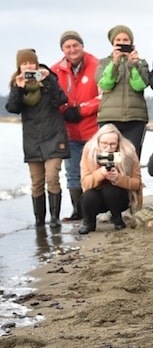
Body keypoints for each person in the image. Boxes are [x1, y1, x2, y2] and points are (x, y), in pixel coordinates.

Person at [6, 49, 70, 228]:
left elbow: (61, 99)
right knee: (36, 181)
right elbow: (12, 108)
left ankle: (55, 219)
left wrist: (47, 80)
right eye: (24, 63)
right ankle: (39, 221)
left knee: (52, 177)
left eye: (31, 63)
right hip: (32, 139)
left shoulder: (49, 79)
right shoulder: (17, 84)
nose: (28, 66)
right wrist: (18, 88)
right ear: (19, 66)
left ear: (36, 63)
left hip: (54, 135)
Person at [51, 31, 101, 222]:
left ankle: (95, 210)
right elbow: (54, 98)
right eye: (67, 46)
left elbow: (103, 97)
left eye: (75, 45)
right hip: (69, 132)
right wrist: (65, 110)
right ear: (63, 50)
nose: (72, 49)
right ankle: (78, 211)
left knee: (95, 171)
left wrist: (81, 110)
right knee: (72, 173)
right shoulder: (55, 70)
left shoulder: (96, 65)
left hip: (93, 130)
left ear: (82, 46)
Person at [96, 25, 150, 159]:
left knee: (131, 158)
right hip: (109, 117)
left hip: (135, 118)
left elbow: (139, 86)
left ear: (131, 42)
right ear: (113, 43)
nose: (122, 42)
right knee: (108, 159)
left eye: (125, 40)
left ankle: (130, 181)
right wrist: (114, 64)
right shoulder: (104, 62)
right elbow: (105, 84)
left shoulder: (141, 63)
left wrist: (132, 66)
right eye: (118, 40)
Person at [77, 123, 143, 234]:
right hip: (96, 197)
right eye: (104, 144)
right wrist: (100, 173)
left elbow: (137, 183)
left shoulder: (128, 151)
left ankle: (117, 220)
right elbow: (85, 183)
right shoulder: (89, 150)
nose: (108, 148)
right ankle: (89, 222)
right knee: (88, 196)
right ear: (98, 142)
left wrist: (119, 179)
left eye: (113, 144)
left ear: (118, 144)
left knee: (110, 189)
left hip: (119, 196)